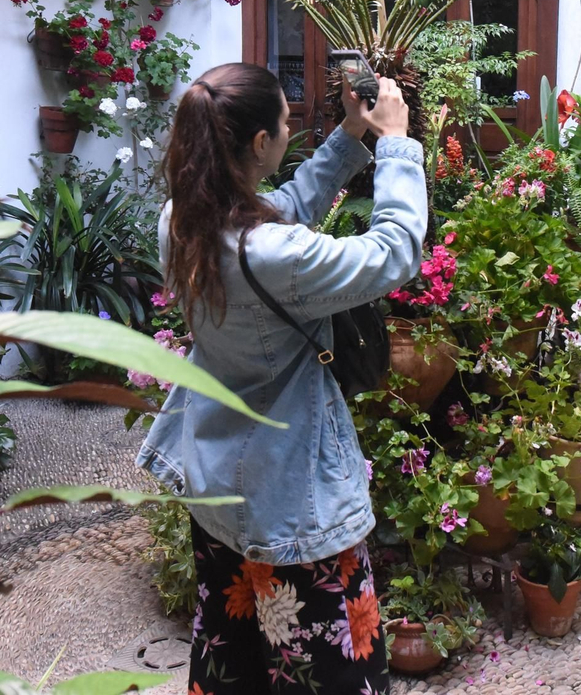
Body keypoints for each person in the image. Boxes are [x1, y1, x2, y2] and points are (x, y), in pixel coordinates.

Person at [138, 61, 425, 695]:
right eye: (287, 124)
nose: (292, 129)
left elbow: (280, 210)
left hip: (220, 479)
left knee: (238, 660)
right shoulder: (276, 256)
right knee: (326, 672)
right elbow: (394, 251)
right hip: (293, 494)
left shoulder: (181, 221)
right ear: (261, 144)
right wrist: (397, 145)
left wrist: (349, 137)